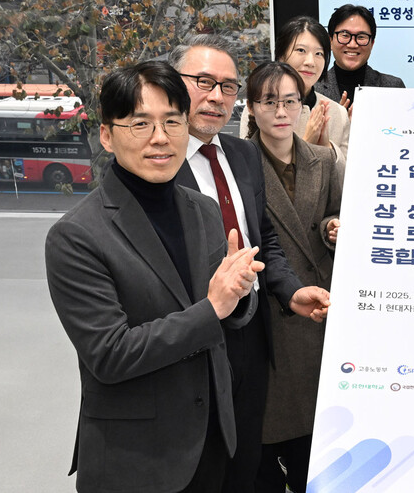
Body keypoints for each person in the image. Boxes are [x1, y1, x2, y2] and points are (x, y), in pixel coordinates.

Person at [45, 61, 330, 493]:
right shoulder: (76, 235)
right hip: (139, 456)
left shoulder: (202, 209)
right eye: (140, 123)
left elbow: (230, 305)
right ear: (107, 135)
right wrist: (214, 307)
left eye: (172, 122)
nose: (160, 137)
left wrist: (240, 294)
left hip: (215, 439)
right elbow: (110, 355)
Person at [168, 34, 331, 492]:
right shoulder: (160, 160)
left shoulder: (242, 155)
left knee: (246, 462)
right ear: (174, 84)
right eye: (204, 82)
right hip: (194, 332)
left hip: (254, 329)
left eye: (227, 86)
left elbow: (265, 239)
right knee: (201, 465)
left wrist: (291, 291)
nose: (217, 96)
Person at [243, 61, 343, 493]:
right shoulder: (238, 163)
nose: (281, 111)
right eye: (269, 102)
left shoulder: (324, 159)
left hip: (319, 307)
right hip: (266, 313)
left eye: (290, 101)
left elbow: (334, 214)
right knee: (266, 445)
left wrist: (332, 228)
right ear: (252, 107)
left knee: (317, 448)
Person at [275, 16, 352, 167]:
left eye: (319, 54)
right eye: (301, 50)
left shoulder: (337, 113)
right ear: (282, 56)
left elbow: (346, 176)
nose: (310, 62)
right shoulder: (262, 106)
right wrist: (307, 143)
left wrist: (328, 148)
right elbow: (254, 172)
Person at [314, 4, 406, 112]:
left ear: (372, 43)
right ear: (330, 41)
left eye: (361, 37)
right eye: (345, 35)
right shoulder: (313, 88)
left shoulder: (393, 87)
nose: (352, 44)